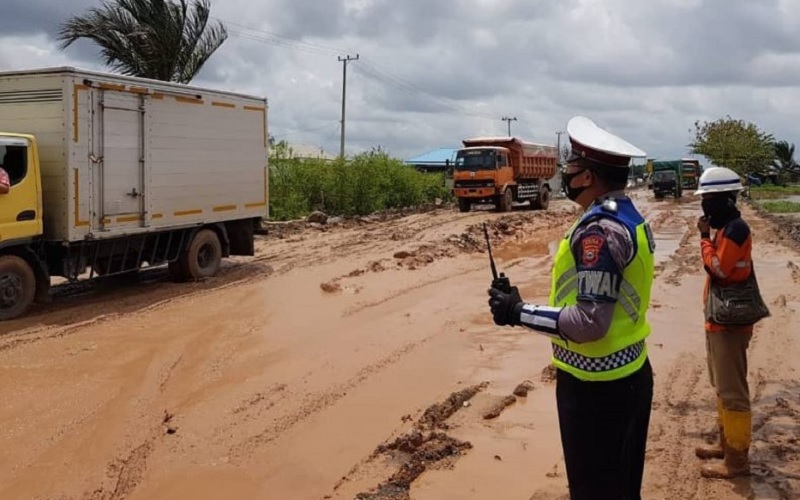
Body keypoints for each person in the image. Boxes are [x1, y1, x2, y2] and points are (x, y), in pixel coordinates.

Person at [488, 116, 655, 500]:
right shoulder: (625, 216)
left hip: (598, 389)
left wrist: (518, 312)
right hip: (628, 372)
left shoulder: (600, 230)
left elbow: (589, 322)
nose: (566, 175)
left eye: (572, 169)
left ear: (588, 177)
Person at [693, 167, 753, 478]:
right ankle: (726, 444)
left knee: (733, 391)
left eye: (707, 200)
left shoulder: (735, 230)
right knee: (721, 386)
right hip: (720, 318)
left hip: (730, 322)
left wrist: (703, 238)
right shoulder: (727, 227)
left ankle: (737, 462)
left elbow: (717, 268)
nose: (704, 206)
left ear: (724, 200)